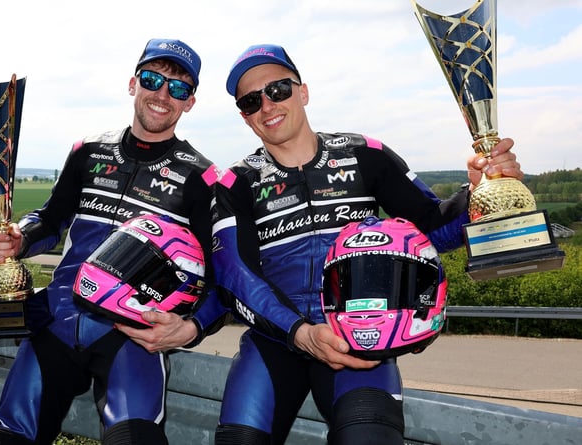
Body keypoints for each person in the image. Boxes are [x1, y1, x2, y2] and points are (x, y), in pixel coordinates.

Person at [211, 43, 526, 445]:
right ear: (245, 117)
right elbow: (235, 275)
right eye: (252, 101)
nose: (268, 106)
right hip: (275, 341)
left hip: (362, 340)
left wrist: (479, 194)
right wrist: (301, 332)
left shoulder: (365, 155)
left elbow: (429, 230)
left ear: (302, 92)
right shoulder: (236, 181)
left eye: (278, 90)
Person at [0, 38, 227, 445]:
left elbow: (220, 275)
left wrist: (193, 327)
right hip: (56, 321)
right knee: (10, 440)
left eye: (178, 87)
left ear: (190, 103)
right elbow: (50, 219)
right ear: (134, 84)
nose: (163, 94)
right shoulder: (87, 152)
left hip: (131, 334)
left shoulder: (204, 178)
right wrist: (18, 237)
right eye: (153, 79)